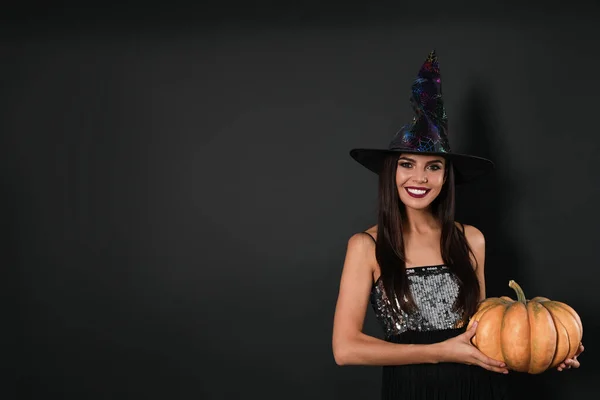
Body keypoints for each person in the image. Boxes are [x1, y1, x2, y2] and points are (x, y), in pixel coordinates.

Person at [331, 50, 583, 399]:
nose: (419, 177)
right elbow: (345, 349)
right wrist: (441, 352)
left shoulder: (471, 239)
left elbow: (483, 333)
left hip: (477, 387)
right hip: (413, 390)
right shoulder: (366, 247)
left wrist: (548, 348)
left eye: (433, 166)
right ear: (391, 172)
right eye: (407, 164)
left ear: (446, 175)